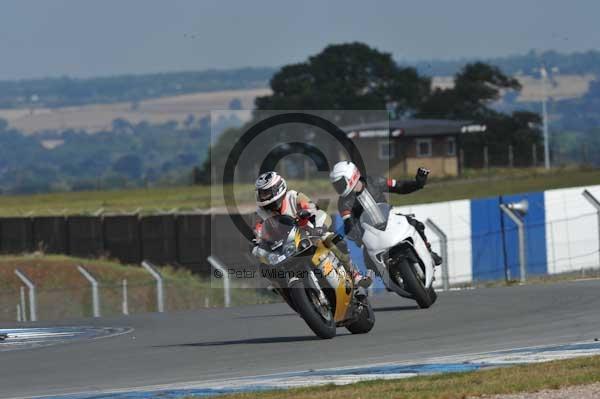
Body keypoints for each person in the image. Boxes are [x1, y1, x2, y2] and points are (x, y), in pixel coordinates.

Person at [252, 171, 371, 293]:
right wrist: (258, 242)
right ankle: (281, 287)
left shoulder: (294, 197)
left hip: (308, 235)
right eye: (261, 193)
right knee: (265, 266)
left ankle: (354, 274)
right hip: (282, 247)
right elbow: (258, 230)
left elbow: (314, 210)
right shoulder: (260, 213)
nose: (263, 197)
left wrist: (316, 224)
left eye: (266, 193)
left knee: (335, 241)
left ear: (278, 189)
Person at [329, 161, 443, 266]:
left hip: (391, 220)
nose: (338, 188)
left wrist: (417, 183)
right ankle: (388, 279)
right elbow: (348, 222)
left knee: (416, 224)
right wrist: (356, 237)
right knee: (369, 263)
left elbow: (399, 186)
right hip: (370, 234)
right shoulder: (343, 202)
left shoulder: (375, 181)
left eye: (340, 183)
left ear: (351, 176)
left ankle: (429, 251)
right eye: (336, 185)